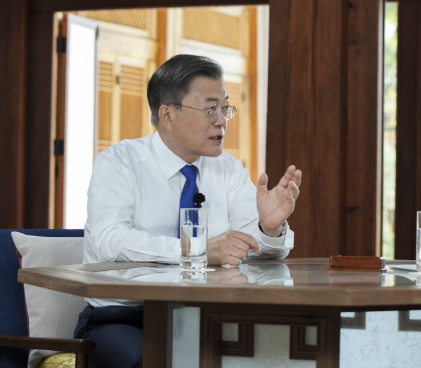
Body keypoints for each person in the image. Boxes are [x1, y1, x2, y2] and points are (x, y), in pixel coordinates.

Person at [74, 54, 302, 368]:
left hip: (208, 315)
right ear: (167, 115)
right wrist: (195, 250)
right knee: (161, 361)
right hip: (125, 319)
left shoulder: (227, 169)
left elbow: (256, 252)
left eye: (225, 108)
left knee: (278, 354)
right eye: (211, 109)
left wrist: (269, 229)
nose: (222, 120)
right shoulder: (120, 162)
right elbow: (108, 241)